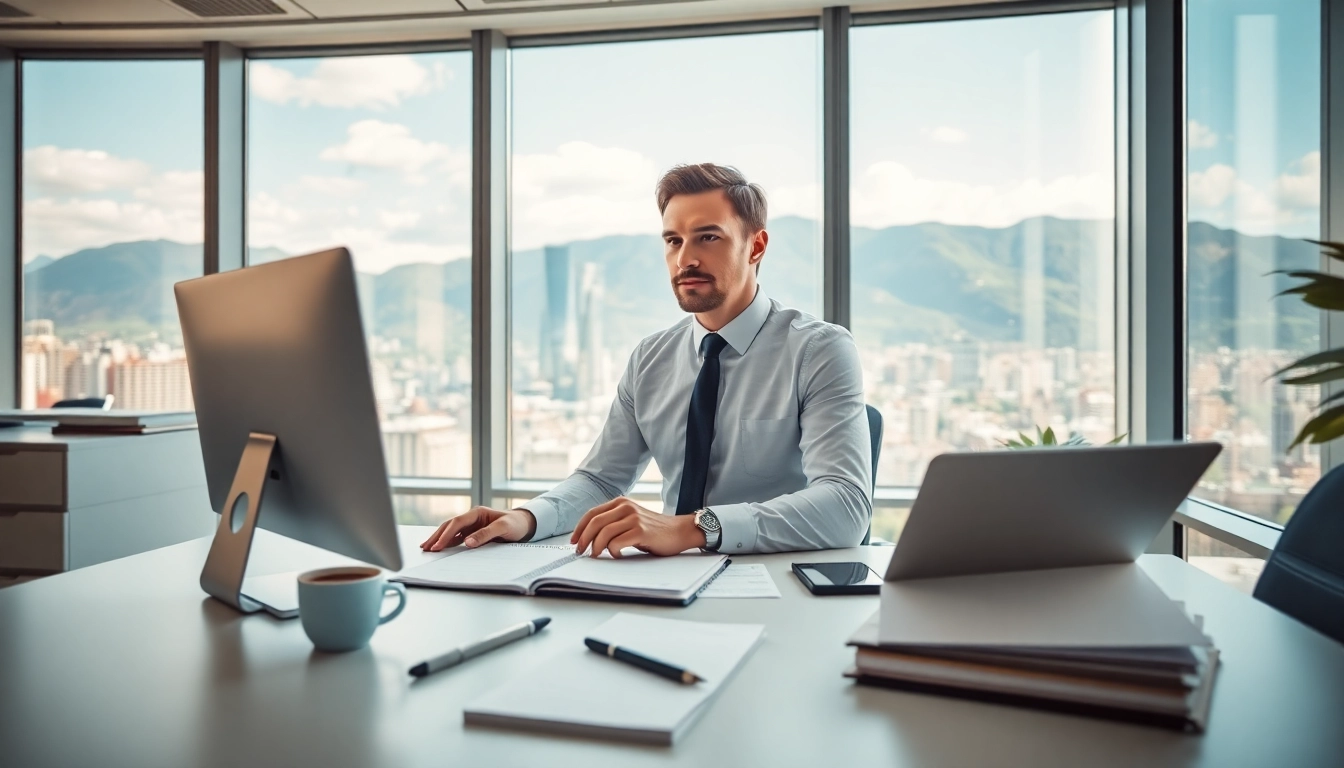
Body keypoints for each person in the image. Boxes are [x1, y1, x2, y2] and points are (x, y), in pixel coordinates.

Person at [422, 163, 871, 557]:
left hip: (777, 580)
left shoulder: (818, 350)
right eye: (673, 240)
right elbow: (600, 480)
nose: (686, 258)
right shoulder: (650, 358)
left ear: (755, 246)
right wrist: (526, 519)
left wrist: (693, 528)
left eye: (708, 237)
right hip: (669, 578)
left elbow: (846, 504)